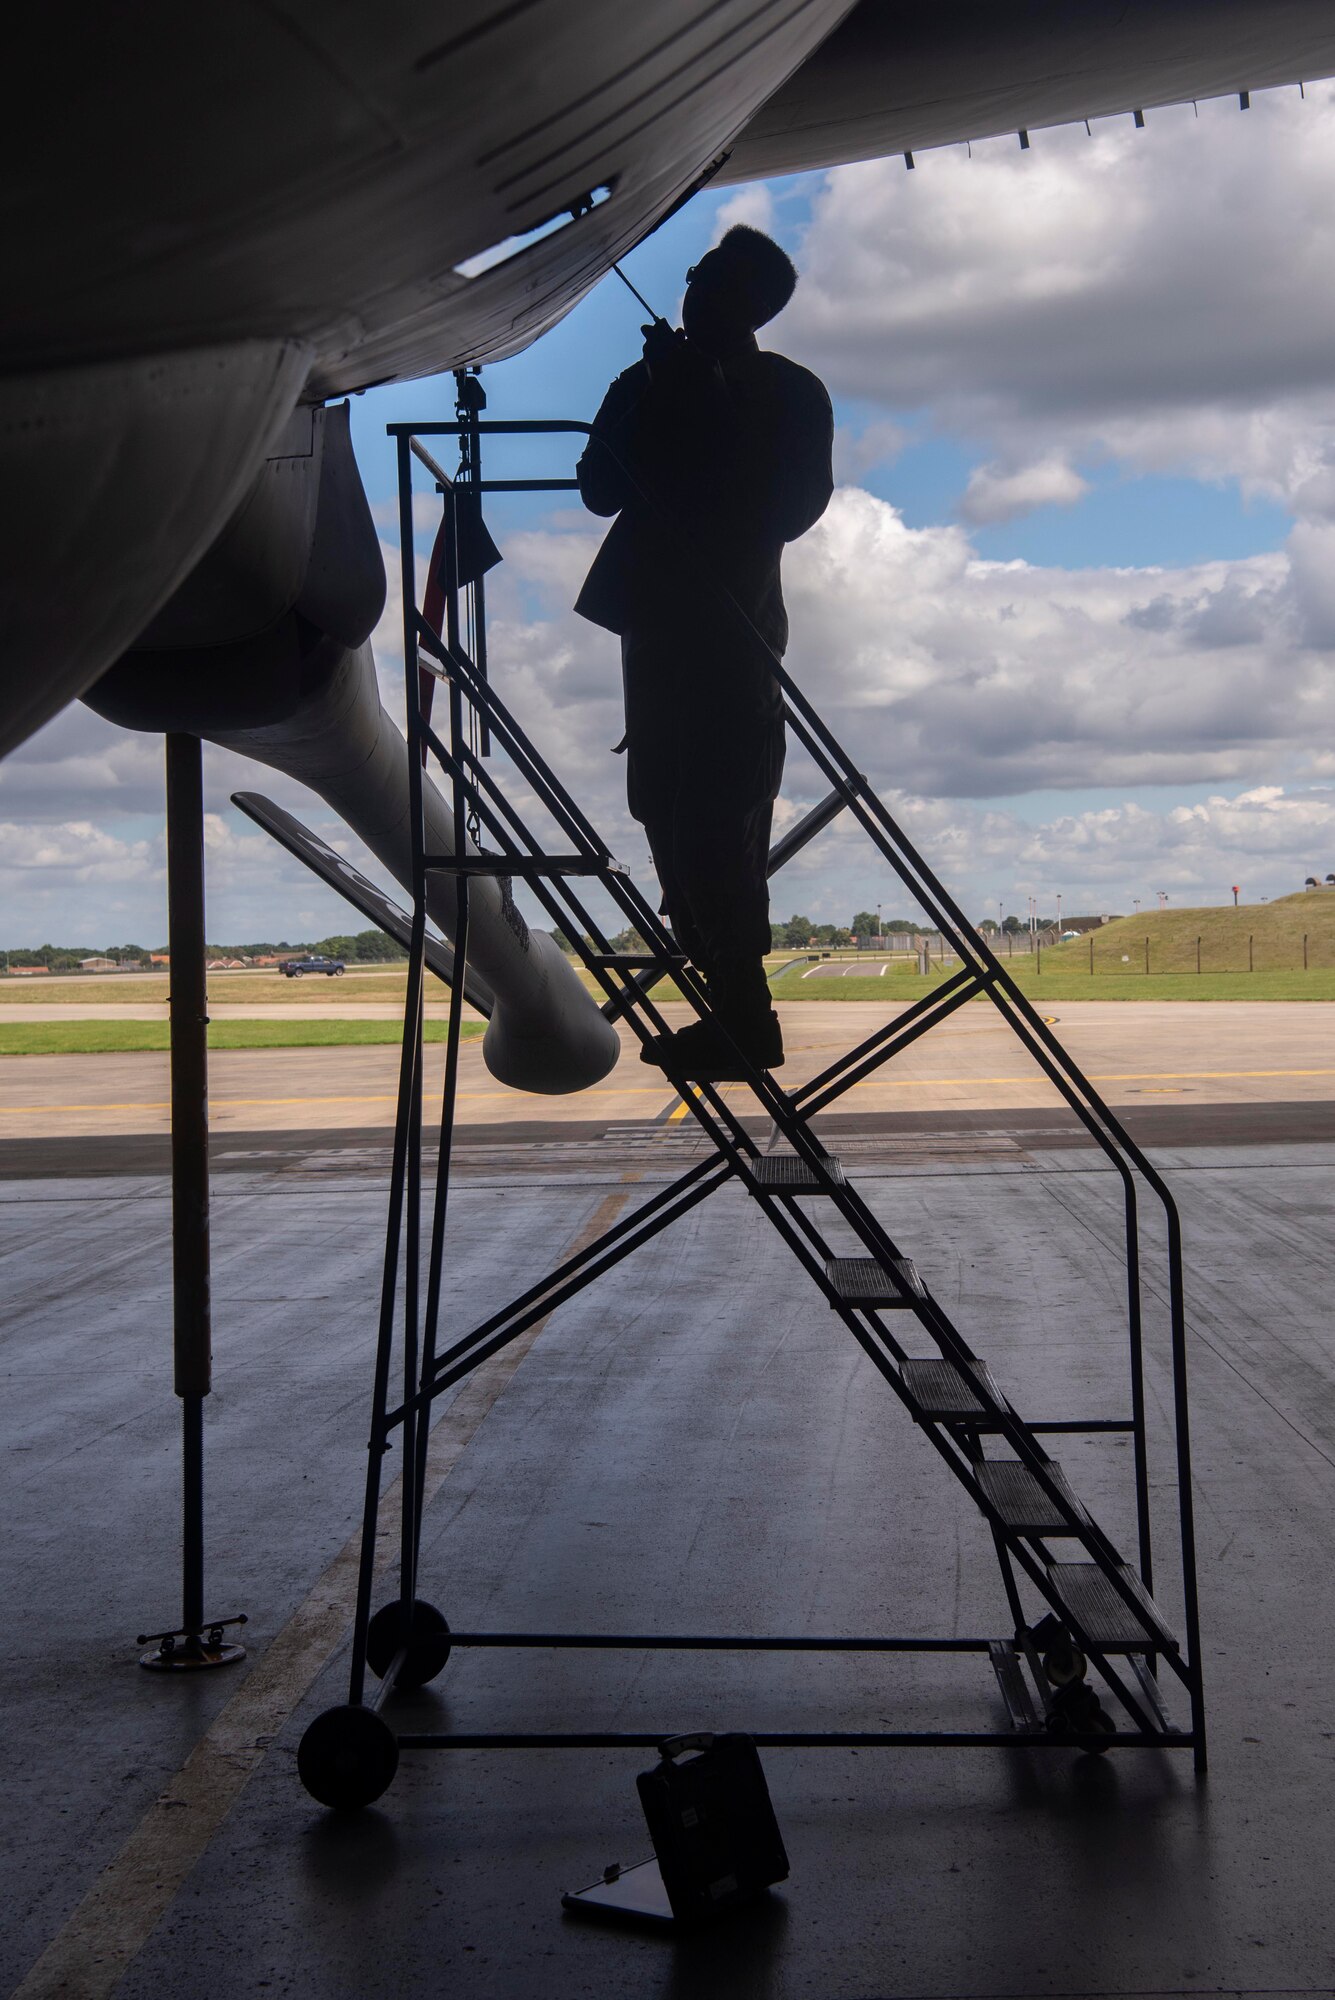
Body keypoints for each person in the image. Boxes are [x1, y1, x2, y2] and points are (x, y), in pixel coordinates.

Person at [574, 225, 833, 1079]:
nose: (691, 294)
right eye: (695, 277)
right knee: (660, 811)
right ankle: (731, 1014)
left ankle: (746, 1019)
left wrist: (706, 405)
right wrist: (655, 397)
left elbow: (787, 508)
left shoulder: (790, 392)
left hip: (731, 635)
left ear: (746, 304)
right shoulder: (649, 380)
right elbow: (597, 488)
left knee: (718, 827)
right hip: (658, 632)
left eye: (709, 281)